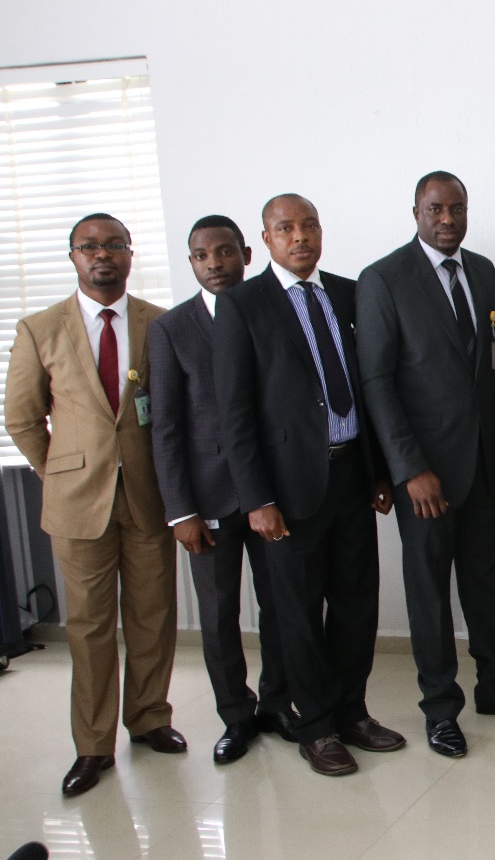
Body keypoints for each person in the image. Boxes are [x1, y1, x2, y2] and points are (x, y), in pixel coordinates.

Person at [356, 171, 495, 759]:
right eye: (436, 209)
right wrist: (408, 467)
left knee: (485, 582)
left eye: (457, 209)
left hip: (483, 465)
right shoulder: (383, 280)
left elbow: (494, 368)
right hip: (425, 475)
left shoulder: (485, 271)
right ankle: (440, 708)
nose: (448, 220)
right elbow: (377, 382)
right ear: (415, 211)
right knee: (428, 592)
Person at [212, 193, 403, 777]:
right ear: (265, 239)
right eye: (286, 228)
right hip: (287, 489)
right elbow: (235, 412)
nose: (300, 236)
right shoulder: (242, 305)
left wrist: (376, 471)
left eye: (310, 224)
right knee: (297, 612)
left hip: (350, 475)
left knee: (355, 603)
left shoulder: (347, 292)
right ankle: (315, 726)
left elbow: (369, 388)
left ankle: (352, 711)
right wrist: (257, 500)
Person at [4, 213, 185, 797]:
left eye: (114, 245)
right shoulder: (39, 329)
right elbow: (24, 418)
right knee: (88, 627)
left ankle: (151, 717)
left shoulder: (158, 324)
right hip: (78, 504)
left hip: (148, 497)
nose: (102, 255)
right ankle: (92, 745)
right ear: (73, 257)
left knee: (153, 616)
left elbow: (172, 414)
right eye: (89, 247)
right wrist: (62, 470)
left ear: (130, 255)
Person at [149, 215, 295, 764]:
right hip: (208, 499)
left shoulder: (272, 312)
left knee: (280, 605)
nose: (215, 263)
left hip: (272, 494)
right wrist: (179, 510)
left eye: (225, 252)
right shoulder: (171, 330)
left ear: (247, 255)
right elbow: (165, 428)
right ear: (192, 264)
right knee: (217, 614)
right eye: (202, 255)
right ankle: (236, 715)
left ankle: (279, 703)